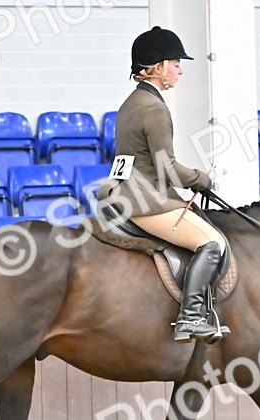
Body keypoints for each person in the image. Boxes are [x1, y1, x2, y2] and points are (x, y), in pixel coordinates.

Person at [98, 26, 228, 343]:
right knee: (213, 243)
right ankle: (192, 317)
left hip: (123, 194)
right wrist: (202, 179)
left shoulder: (130, 103)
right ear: (158, 68)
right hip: (146, 202)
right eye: (175, 63)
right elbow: (167, 168)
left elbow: (129, 161)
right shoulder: (154, 108)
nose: (180, 70)